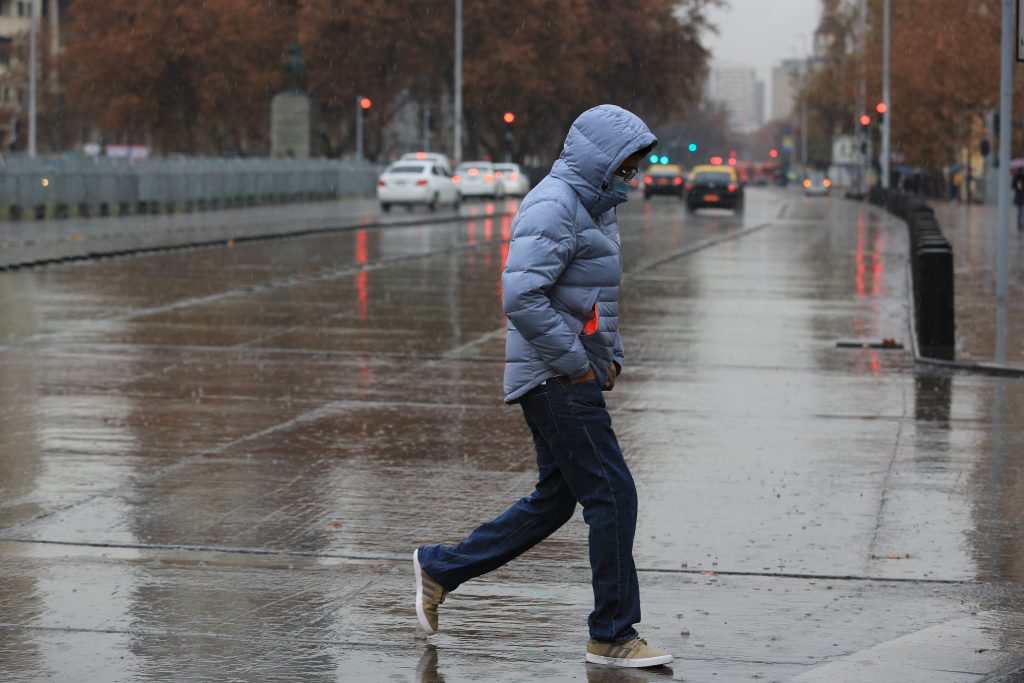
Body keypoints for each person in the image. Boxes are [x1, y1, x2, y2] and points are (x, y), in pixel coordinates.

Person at [413, 104, 672, 669]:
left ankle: (441, 568)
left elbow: (594, 297)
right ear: (601, 160)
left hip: (568, 374)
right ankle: (612, 633)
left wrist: (611, 358)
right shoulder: (554, 204)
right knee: (613, 494)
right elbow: (521, 297)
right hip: (554, 378)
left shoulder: (595, 207)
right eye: (626, 167)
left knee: (555, 501)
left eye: (635, 168)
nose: (632, 177)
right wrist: (576, 364)